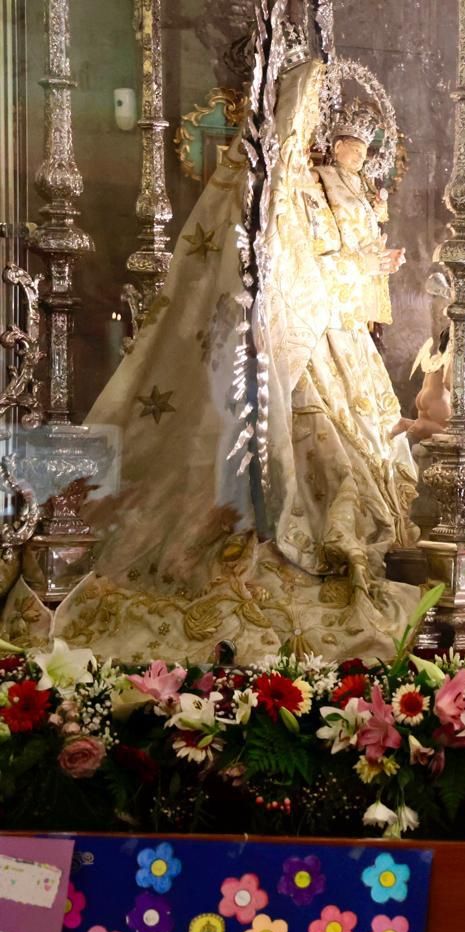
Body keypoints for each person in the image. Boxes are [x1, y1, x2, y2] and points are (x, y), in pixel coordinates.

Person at [25, 46, 421, 661]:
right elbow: (293, 272)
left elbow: (330, 275)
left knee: (353, 460)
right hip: (285, 342)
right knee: (310, 461)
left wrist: (364, 269)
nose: (337, 143)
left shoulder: (338, 192)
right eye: (319, 121)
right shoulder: (282, 192)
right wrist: (350, 270)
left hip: (326, 338)